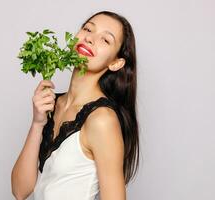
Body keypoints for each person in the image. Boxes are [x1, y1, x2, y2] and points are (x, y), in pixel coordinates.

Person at [11, 10, 139, 200]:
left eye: (105, 40)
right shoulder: (53, 105)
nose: (89, 39)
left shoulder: (102, 120)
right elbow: (20, 191)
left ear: (116, 63)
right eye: (87, 29)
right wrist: (37, 123)